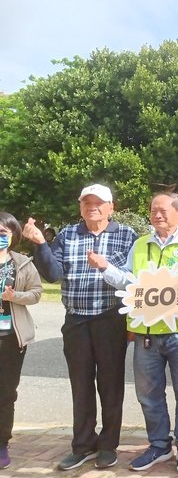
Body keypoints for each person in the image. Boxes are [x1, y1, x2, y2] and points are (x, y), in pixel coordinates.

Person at [23, 184, 137, 471]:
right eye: (87, 203)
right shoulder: (68, 234)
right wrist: (39, 243)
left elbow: (134, 278)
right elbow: (53, 273)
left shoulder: (127, 235)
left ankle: (108, 445)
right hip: (76, 319)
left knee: (110, 384)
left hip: (110, 319)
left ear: (111, 207)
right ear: (80, 207)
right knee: (81, 384)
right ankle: (83, 445)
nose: (92, 208)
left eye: (99, 203)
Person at [96, 192, 178, 472]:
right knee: (148, 394)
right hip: (145, 334)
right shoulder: (140, 244)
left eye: (163, 210)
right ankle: (159, 445)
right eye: (153, 210)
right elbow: (129, 281)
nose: (157, 214)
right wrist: (106, 267)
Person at [0, 212, 43, 470]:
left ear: (13, 236)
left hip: (9, 338)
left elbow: (37, 294)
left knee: (5, 394)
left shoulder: (22, 264)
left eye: (3, 233)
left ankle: (2, 443)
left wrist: (14, 296)